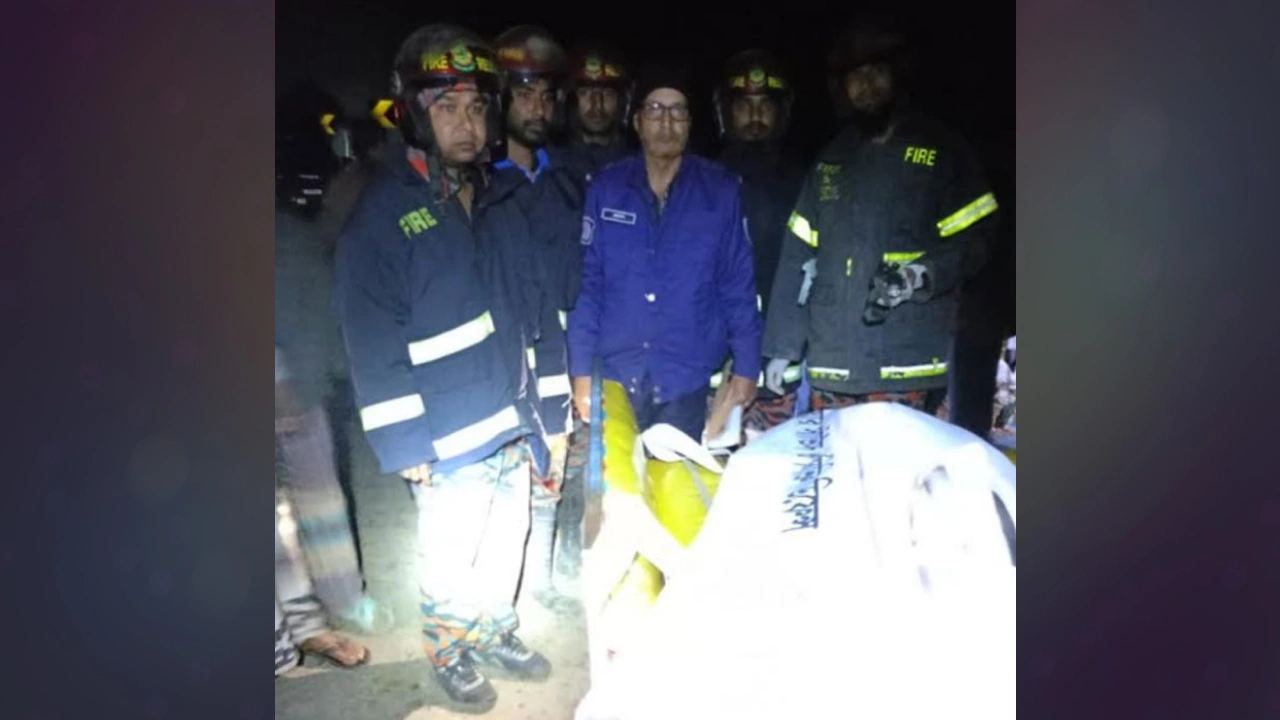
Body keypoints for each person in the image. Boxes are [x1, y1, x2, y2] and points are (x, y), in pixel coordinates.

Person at [333, 24, 551, 711]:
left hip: (507, 415)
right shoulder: (384, 216)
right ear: (413, 113)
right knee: (452, 553)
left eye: (478, 106)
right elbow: (370, 337)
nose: (467, 123)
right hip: (445, 431)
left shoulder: (497, 199)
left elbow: (528, 303)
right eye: (448, 107)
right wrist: (406, 444)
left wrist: (543, 407)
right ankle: (449, 649)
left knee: (506, 540)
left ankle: (492, 630)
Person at [762, 14, 999, 416]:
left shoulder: (941, 152)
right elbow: (797, 257)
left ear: (898, 75)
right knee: (835, 458)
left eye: (876, 72)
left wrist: (923, 274)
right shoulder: (830, 160)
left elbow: (977, 238)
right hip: (833, 366)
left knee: (907, 460)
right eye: (855, 77)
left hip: (909, 364)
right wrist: (782, 348)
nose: (866, 85)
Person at [567, 64, 762, 444]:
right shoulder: (606, 188)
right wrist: (580, 371)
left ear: (690, 124)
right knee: (615, 479)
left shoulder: (720, 192)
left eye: (677, 111)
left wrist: (747, 366)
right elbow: (588, 286)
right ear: (637, 121)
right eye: (655, 110)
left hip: (686, 379)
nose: (666, 123)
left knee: (678, 479)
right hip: (616, 375)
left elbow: (737, 286)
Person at [275, 95, 388, 634]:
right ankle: (311, 614)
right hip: (289, 379)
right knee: (305, 500)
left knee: (316, 496)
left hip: (302, 374)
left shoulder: (291, 223)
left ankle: (333, 604)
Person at [490, 24, 583, 611]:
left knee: (557, 465)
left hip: (562, 357)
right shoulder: (477, 184)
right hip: (504, 364)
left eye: (547, 95)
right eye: (524, 94)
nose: (538, 108)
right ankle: (507, 593)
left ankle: (543, 583)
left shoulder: (567, 181)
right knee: (507, 479)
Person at [710, 49, 808, 437]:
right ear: (724, 111)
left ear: (783, 112)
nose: (754, 117)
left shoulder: (807, 182)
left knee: (777, 464)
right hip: (714, 366)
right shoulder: (700, 180)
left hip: (781, 368)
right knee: (709, 464)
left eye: (765, 105)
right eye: (743, 106)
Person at [558, 42, 635, 185]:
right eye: (585, 93)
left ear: (624, 102)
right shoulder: (550, 162)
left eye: (608, 94)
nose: (597, 105)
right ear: (568, 99)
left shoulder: (640, 164)